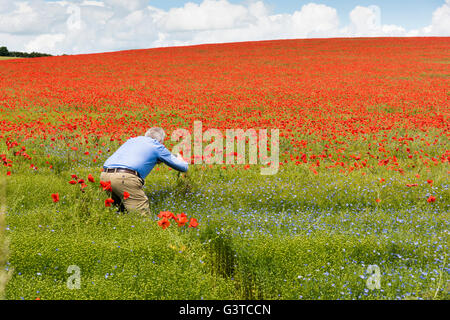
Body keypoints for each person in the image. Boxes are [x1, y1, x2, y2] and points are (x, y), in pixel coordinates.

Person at [100, 127, 188, 216]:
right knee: (142, 218)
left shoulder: (132, 140)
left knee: (121, 213)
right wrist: (180, 158)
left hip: (105, 176)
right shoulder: (156, 145)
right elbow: (183, 167)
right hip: (124, 178)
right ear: (161, 141)